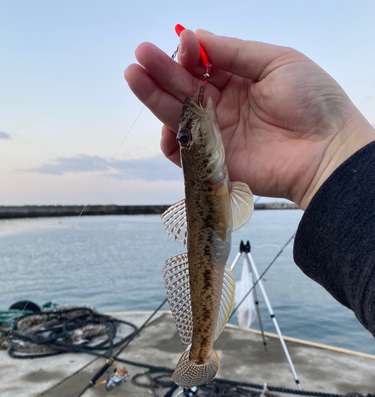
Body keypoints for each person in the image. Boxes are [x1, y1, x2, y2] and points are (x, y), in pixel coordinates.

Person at [125, 29, 375, 336]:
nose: (189, 132)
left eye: (185, 136)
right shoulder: (212, 172)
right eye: (186, 137)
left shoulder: (212, 163)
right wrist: (335, 159)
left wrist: (334, 158)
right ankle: (200, 346)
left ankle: (200, 345)